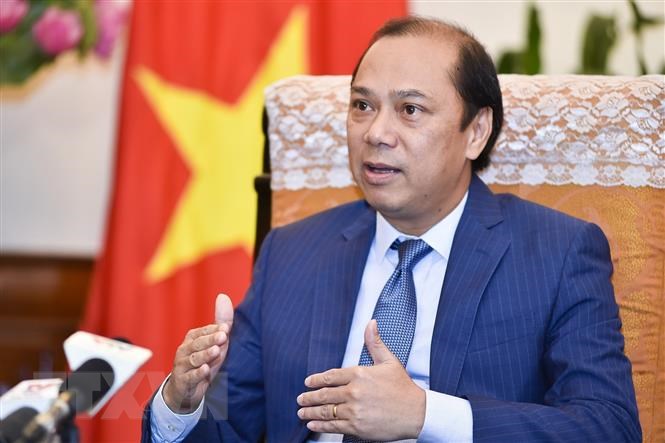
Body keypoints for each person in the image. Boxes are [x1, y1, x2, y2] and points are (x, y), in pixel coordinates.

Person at [142, 16, 641, 442]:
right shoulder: (292, 252)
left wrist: (425, 414)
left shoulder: (557, 253)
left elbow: (609, 426)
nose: (376, 133)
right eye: (362, 106)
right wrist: (182, 404)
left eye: (410, 110)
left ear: (476, 132)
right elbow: (231, 425)